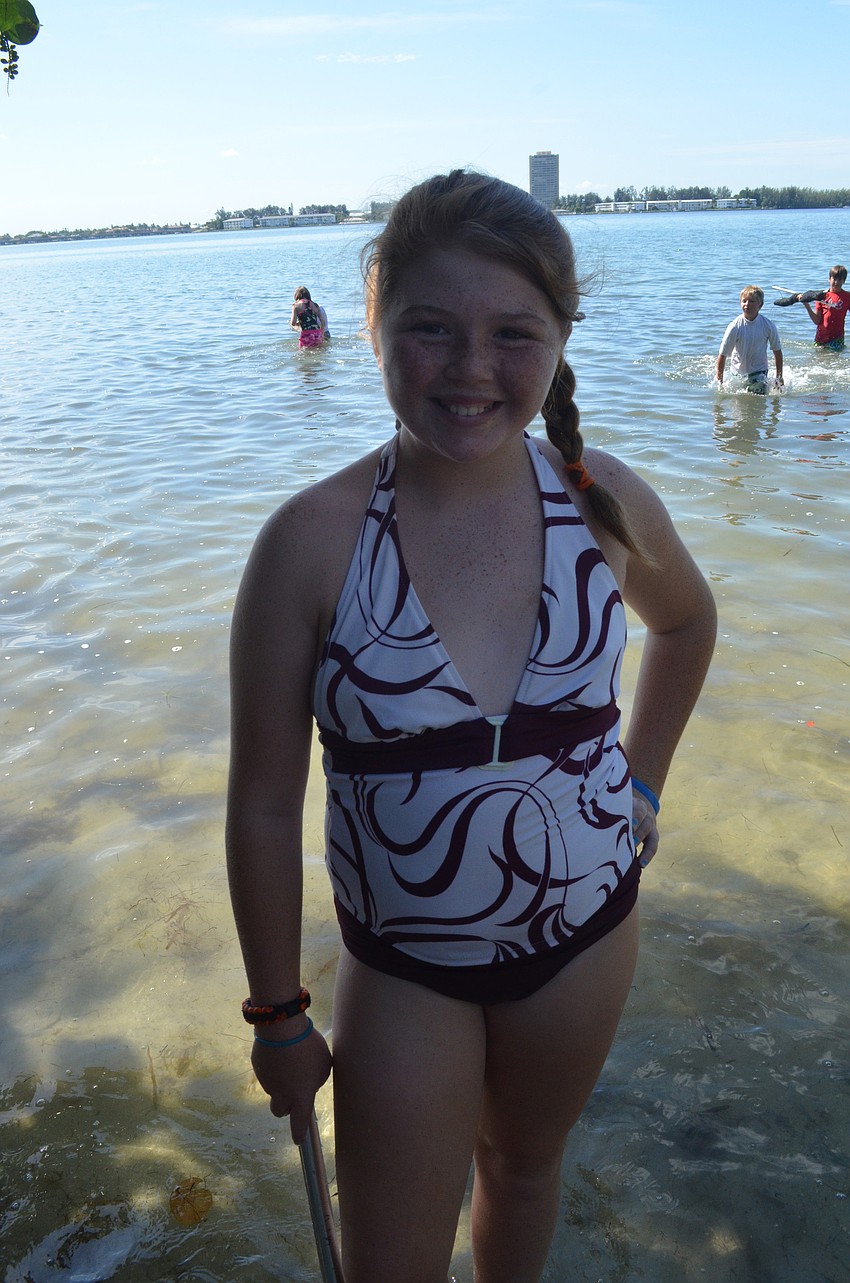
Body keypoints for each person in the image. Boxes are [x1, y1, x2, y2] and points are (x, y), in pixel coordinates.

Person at [227, 170, 717, 1283]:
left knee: (526, 1170)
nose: (472, 369)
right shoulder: (309, 544)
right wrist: (277, 1012)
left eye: (513, 333)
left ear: (559, 337)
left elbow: (687, 625)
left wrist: (639, 786)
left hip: (588, 933)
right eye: (431, 329)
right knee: (389, 1260)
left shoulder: (601, 499)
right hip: (407, 968)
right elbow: (262, 798)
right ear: (371, 323)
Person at [716, 285, 783, 393]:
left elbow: (777, 351)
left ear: (760, 304)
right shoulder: (734, 326)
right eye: (744, 301)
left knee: (758, 399)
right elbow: (722, 355)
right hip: (737, 373)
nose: (747, 304)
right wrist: (720, 382)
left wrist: (779, 377)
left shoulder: (768, 326)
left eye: (751, 301)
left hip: (759, 372)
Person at [796, 265, 850, 350]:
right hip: (820, 339)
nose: (836, 282)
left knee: (834, 362)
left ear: (844, 281)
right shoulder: (820, 296)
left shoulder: (847, 297)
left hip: (837, 339)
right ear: (829, 279)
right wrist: (806, 305)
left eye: (839, 279)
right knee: (820, 361)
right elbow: (817, 321)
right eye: (834, 279)